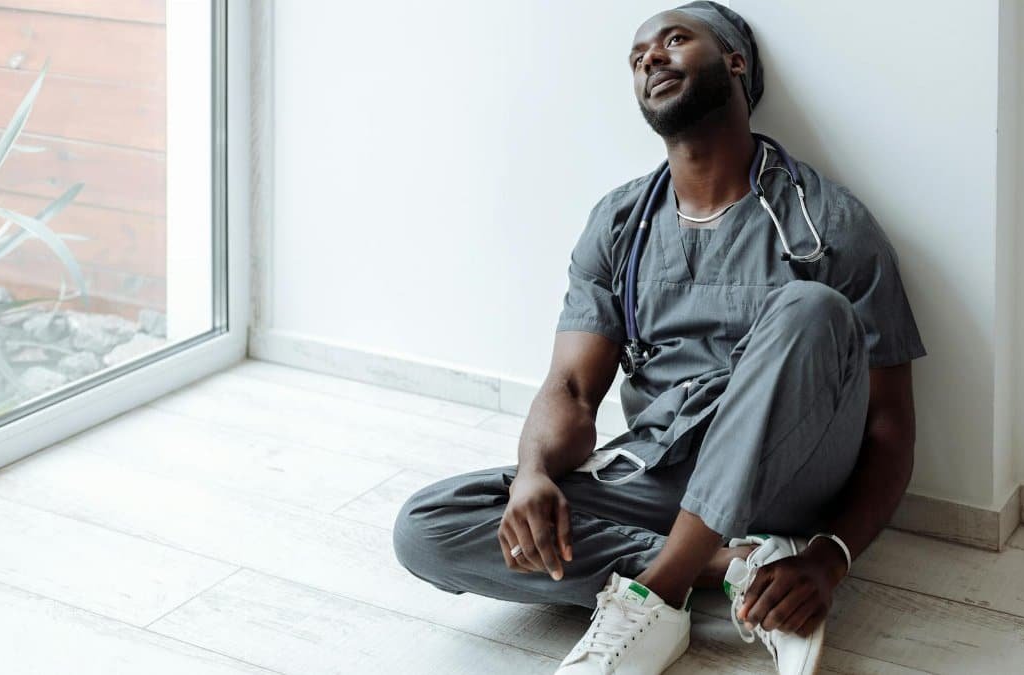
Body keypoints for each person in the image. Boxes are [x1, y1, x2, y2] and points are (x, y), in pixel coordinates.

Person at [392, 2, 927, 673]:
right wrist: (532, 473)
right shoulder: (620, 224)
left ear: (735, 61)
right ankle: (728, 565)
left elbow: (889, 426)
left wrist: (831, 554)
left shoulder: (827, 224)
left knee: (811, 307)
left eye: (675, 40)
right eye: (638, 55)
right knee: (428, 526)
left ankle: (658, 590)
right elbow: (572, 389)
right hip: (659, 474)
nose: (650, 58)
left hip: (787, 475)